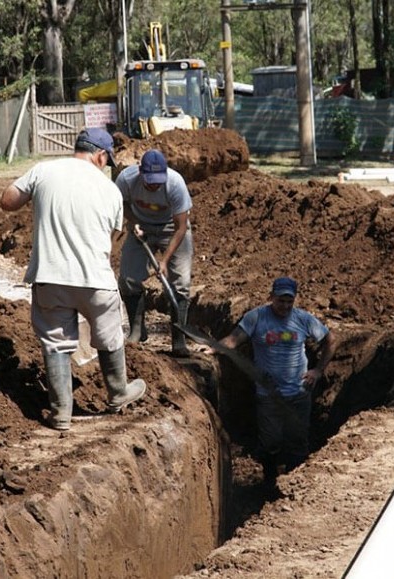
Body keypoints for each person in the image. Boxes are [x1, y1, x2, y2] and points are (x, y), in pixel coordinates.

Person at [0, 128, 147, 431]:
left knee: (56, 343)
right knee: (109, 335)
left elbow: (8, 201)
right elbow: (112, 235)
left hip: (50, 276)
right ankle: (118, 393)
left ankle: (61, 414)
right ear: (101, 156)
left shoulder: (44, 170)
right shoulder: (110, 190)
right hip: (96, 280)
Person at [214, 277, 336, 486]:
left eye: (289, 301)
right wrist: (213, 347)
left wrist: (317, 370)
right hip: (268, 395)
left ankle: (295, 488)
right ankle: (269, 482)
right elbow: (233, 340)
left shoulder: (303, 319)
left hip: (299, 394)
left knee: (297, 442)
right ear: (271, 297)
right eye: (281, 301)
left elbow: (330, 340)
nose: (285, 306)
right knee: (271, 442)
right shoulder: (257, 317)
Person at [115, 149, 194, 356]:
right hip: (141, 227)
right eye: (150, 180)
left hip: (171, 228)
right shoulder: (126, 179)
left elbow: (181, 227)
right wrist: (132, 222)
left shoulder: (175, 184)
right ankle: (137, 331)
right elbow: (120, 203)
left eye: (158, 180)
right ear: (140, 171)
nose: (154, 185)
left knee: (181, 283)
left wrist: (165, 261)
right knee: (128, 279)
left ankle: (179, 340)